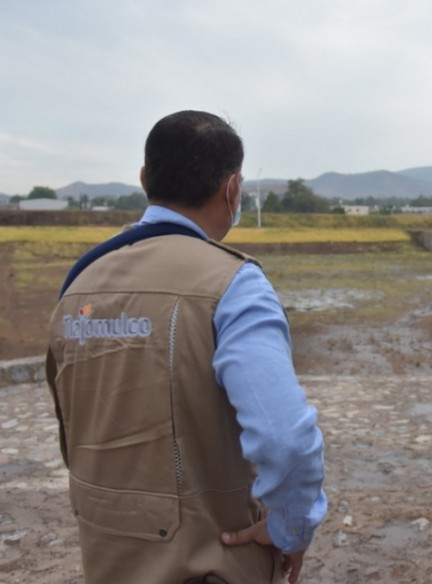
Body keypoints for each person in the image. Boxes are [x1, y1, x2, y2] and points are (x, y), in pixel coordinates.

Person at [46, 110, 327, 584]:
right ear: (233, 189)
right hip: (208, 562)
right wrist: (291, 529)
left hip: (106, 556)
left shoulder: (79, 284)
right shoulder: (234, 284)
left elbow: (74, 434)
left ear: (143, 179)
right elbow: (285, 438)